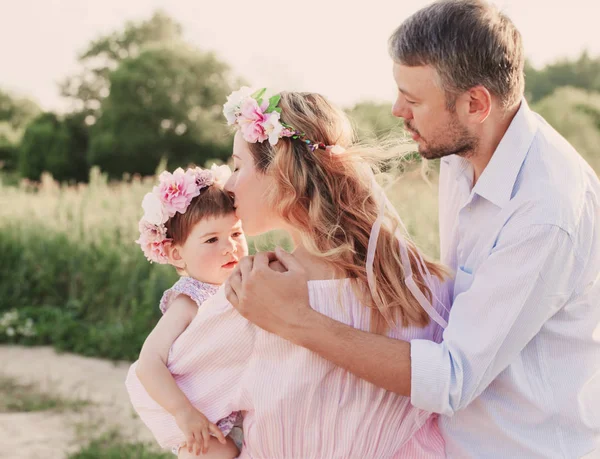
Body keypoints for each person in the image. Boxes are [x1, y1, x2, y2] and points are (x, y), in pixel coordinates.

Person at [225, 1, 600, 458]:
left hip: (521, 446)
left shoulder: (547, 211)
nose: (397, 109)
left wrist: (293, 319)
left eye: (414, 100)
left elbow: (450, 378)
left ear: (475, 104)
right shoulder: (464, 158)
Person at [138, 86, 454, 458]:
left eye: (239, 166)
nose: (229, 183)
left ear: (281, 172)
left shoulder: (256, 292)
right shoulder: (419, 282)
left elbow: (155, 396)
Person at [125, 165, 247, 458]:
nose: (229, 247)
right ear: (177, 254)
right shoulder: (190, 300)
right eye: (211, 239)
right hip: (195, 411)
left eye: (236, 233)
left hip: (234, 403)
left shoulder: (245, 282)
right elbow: (148, 362)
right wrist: (183, 412)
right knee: (217, 453)